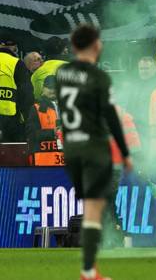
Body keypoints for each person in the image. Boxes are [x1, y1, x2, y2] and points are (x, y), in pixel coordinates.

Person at [55, 25, 132, 280]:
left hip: (73, 149)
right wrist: (124, 151)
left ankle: (89, 270)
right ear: (96, 46)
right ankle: (89, 271)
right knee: (93, 211)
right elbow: (110, 115)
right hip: (94, 149)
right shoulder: (99, 77)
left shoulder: (63, 74)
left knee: (91, 206)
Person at [0, 36, 34, 142]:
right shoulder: (17, 63)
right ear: (15, 48)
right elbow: (26, 94)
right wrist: (29, 120)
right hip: (11, 119)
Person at [26, 76, 64, 166]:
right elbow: (32, 135)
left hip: (64, 162)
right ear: (43, 88)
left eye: (55, 88)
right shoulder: (36, 108)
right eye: (49, 87)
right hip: (43, 162)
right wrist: (53, 132)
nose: (52, 90)